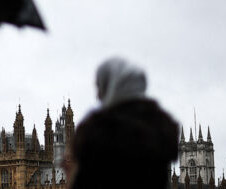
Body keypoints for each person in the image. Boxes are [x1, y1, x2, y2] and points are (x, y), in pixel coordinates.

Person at [68, 57, 178, 189]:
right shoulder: (161, 132)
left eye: (100, 87)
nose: (97, 95)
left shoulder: (97, 133)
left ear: (113, 87)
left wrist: (72, 173)